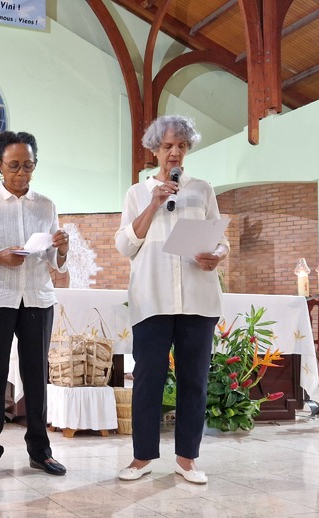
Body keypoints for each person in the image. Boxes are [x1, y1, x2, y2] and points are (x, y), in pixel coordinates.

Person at [114, 115, 228, 485]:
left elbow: (220, 239)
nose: (174, 152)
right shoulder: (137, 192)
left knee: (194, 380)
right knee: (148, 378)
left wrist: (217, 254)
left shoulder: (203, 190)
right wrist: (153, 204)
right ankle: (142, 457)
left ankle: (187, 459)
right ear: (154, 150)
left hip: (198, 298)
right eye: (167, 146)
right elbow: (125, 246)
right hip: (152, 298)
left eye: (181, 145)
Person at [0, 131, 70, 479]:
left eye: (29, 166)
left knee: (36, 376)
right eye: (14, 166)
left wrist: (62, 249)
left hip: (37, 297)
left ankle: (40, 452)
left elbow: (54, 260)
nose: (22, 173)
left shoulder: (46, 205)